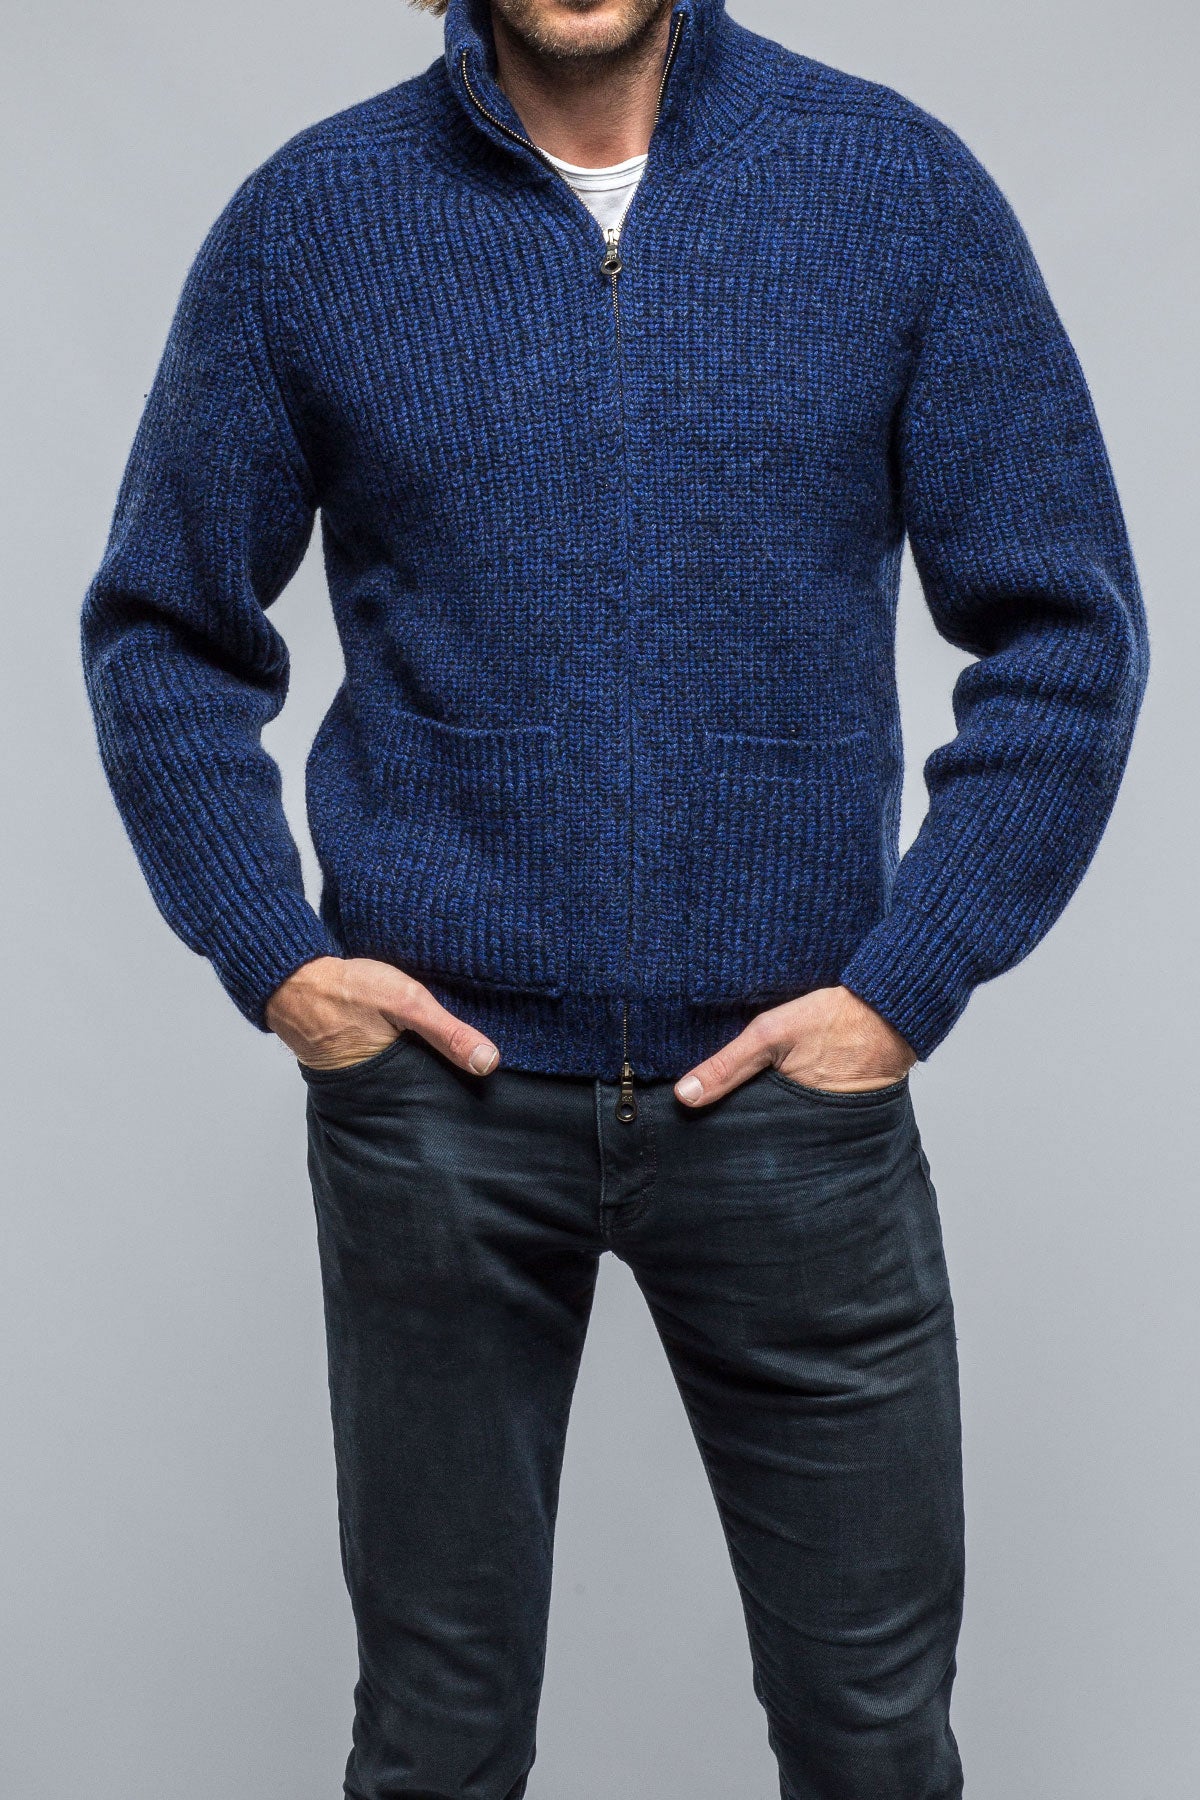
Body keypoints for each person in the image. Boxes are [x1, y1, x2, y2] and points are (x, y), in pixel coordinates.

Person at [79, 0, 1148, 1793]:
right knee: (434, 1744)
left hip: (795, 1106)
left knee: (876, 1745)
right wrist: (280, 962)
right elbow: (160, 631)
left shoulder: (891, 189)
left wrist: (913, 978)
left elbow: (1067, 630)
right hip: (440, 1108)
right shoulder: (313, 221)